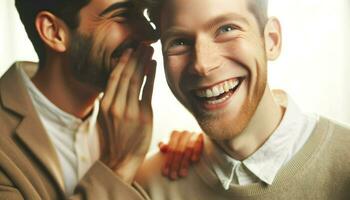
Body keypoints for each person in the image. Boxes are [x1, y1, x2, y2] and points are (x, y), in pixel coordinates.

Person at [136, 0, 350, 199]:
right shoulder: (147, 186)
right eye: (179, 42)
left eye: (226, 29)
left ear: (271, 40)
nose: (202, 64)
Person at [0, 0, 202, 199]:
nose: (151, 34)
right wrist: (118, 167)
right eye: (122, 15)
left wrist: (175, 156)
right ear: (53, 31)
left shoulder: (130, 124)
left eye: (143, 14)